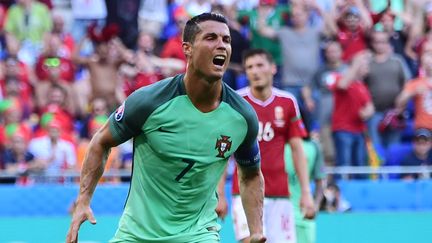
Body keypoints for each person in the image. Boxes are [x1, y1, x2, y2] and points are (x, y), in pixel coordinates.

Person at [66, 13, 266, 243]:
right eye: (211, 38)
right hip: (137, 235)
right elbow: (101, 141)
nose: (221, 45)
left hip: (198, 235)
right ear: (187, 49)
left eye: (226, 40)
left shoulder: (242, 116)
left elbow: (251, 175)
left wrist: (256, 231)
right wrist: (83, 201)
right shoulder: (149, 102)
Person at [222, 48, 315, 243]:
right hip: (244, 192)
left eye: (259, 65)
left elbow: (298, 150)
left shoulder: (287, 102)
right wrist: (220, 193)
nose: (254, 71)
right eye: (249, 67)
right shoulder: (237, 102)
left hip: (280, 193)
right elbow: (223, 151)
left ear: (272, 68)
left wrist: (306, 193)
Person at [284, 114, 325, 243]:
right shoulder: (278, 146)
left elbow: (320, 181)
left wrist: (316, 205)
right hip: (281, 215)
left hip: (304, 216)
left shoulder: (314, 147)